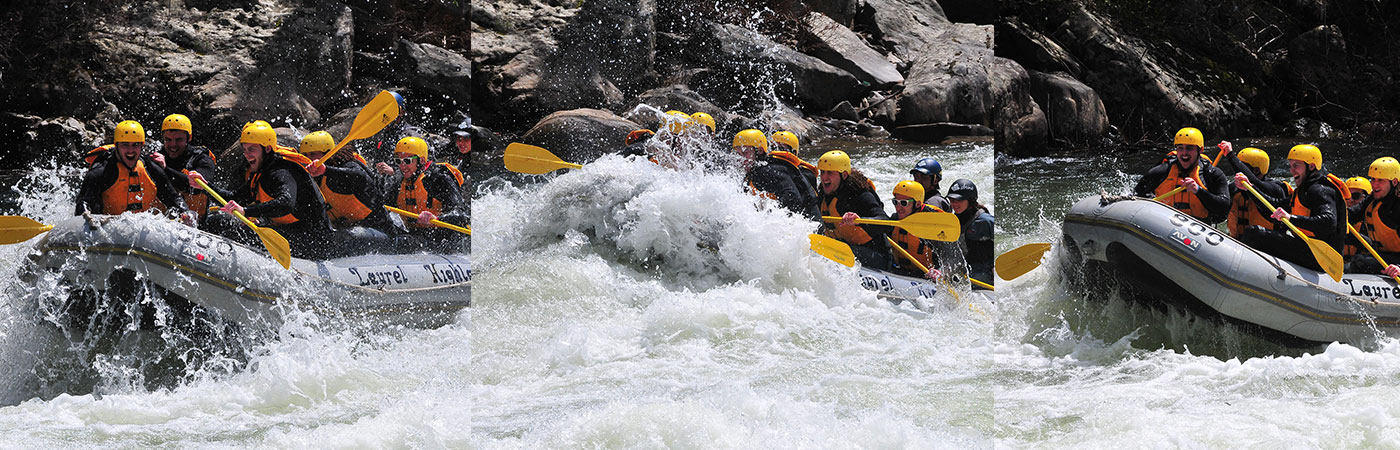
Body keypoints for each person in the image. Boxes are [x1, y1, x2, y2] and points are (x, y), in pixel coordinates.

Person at [188, 123, 333, 260]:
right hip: (289, 230)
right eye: (245, 149)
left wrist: (246, 211)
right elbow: (234, 198)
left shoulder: (282, 172)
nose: (246, 154)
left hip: (314, 240)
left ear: (267, 149)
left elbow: (286, 203)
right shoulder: (259, 173)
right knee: (217, 221)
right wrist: (205, 186)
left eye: (252, 149)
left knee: (241, 234)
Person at [1234, 144, 1348, 272]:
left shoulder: (1321, 190)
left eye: (1296, 166)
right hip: (1305, 248)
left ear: (1311, 166)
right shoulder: (1302, 190)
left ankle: (1242, 272)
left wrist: (1291, 218)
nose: (1291, 171)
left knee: (1254, 233)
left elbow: (1328, 222)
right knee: (1256, 233)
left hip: (1321, 257)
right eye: (1290, 166)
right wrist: (1250, 189)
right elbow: (1273, 207)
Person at [75, 120, 187, 217]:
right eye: (125, 145)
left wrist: (185, 213)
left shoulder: (150, 168)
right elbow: (83, 204)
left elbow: (173, 198)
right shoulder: (100, 171)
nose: (130, 151)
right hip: (106, 229)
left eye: (135, 145)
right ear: (117, 145)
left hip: (140, 229)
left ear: (142, 145)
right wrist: (87, 218)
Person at [301, 131, 393, 240]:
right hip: (346, 229)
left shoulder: (348, 166)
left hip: (380, 231)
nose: (308, 159)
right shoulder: (312, 178)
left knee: (348, 236)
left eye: (313, 154)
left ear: (327, 154)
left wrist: (326, 170)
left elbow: (360, 176)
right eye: (305, 155)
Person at [387, 136, 469, 252]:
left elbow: (461, 214)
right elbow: (383, 207)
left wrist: (436, 218)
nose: (402, 166)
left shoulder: (438, 179)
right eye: (398, 161)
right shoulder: (399, 183)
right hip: (416, 236)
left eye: (407, 161)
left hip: (443, 240)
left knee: (404, 242)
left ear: (421, 160)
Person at [1134, 127, 1231, 223]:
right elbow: (1137, 196)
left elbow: (1224, 208)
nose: (1184, 153)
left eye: (1189, 148)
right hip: (1164, 223)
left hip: (1199, 227)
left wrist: (1198, 190)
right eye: (1180, 148)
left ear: (1200, 150)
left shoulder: (1212, 174)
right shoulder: (1161, 171)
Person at [817, 150, 892, 270]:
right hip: (843, 248)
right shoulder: (823, 194)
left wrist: (859, 220)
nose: (824, 177)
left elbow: (887, 223)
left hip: (876, 256)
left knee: (839, 249)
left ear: (844, 175)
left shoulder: (860, 195)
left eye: (830, 173)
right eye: (822, 172)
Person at [734, 129, 819, 219]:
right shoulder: (751, 175)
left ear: (759, 151)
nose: (741, 158)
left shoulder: (772, 170)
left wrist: (768, 217)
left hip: (810, 226)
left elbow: (792, 199)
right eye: (738, 154)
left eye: (745, 152)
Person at [152, 113, 218, 221]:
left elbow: (200, 185)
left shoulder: (202, 159)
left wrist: (165, 169)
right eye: (168, 140)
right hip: (162, 224)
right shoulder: (156, 158)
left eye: (178, 140)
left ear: (189, 138)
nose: (173, 144)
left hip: (197, 225)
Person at [1217, 143, 1289, 238]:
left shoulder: (1275, 189)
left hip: (1266, 246)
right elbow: (1219, 215)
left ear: (1256, 170)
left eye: (1242, 166)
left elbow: (1255, 182)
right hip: (1237, 243)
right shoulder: (1233, 188)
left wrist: (1231, 155)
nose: (1237, 171)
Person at [1349, 157, 1400, 276]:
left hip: (1397, 261)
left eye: (1381, 180)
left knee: (1360, 262)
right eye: (1372, 179)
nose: (1374, 184)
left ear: (1394, 182)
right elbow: (1350, 215)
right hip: (1382, 254)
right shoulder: (1372, 200)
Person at [888, 180, 942, 280]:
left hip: (928, 276)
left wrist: (941, 270)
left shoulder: (932, 224)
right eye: (895, 202)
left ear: (917, 204)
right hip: (903, 272)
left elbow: (950, 255)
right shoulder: (895, 220)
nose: (898, 207)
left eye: (904, 203)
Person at [947, 179, 993, 290]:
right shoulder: (953, 220)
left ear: (970, 200)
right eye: (952, 200)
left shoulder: (985, 221)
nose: (954, 204)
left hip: (984, 271)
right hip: (966, 268)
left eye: (959, 200)